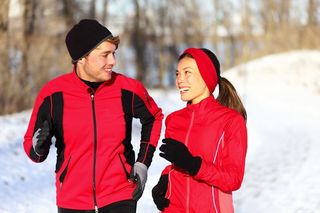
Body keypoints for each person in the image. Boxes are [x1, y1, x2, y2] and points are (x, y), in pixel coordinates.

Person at [23, 19, 163, 213]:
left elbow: (154, 117)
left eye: (113, 54)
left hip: (120, 196)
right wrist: (39, 147)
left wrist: (142, 163)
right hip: (72, 200)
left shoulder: (127, 89)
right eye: (105, 55)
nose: (112, 61)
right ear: (81, 58)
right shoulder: (53, 95)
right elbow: (33, 150)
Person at [152, 48, 247, 213]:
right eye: (177, 74)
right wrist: (164, 178)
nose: (180, 80)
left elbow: (233, 179)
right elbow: (178, 164)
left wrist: (193, 164)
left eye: (187, 72)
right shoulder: (173, 120)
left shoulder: (231, 120)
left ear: (206, 76)